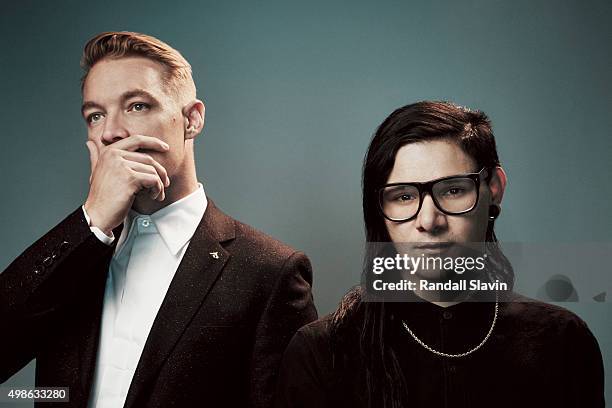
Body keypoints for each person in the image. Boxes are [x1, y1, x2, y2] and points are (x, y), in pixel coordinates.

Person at [0, 31, 317, 408]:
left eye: (136, 106)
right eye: (95, 115)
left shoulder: (269, 272)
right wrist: (92, 221)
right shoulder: (73, 259)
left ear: (192, 120)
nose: (111, 132)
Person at [275, 101, 604, 408]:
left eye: (453, 190)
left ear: (494, 188)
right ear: (379, 209)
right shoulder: (321, 353)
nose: (429, 221)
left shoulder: (562, 343)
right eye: (403, 196)